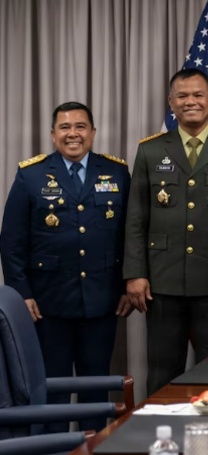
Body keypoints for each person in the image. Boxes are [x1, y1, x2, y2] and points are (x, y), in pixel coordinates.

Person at [124, 68, 208, 395]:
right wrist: (135, 273)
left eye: (198, 95)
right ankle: (158, 426)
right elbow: (136, 218)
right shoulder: (151, 150)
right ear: (171, 103)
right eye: (182, 96)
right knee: (162, 373)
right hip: (162, 283)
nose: (191, 102)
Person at [0, 102, 132, 431]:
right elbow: (12, 242)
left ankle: (93, 450)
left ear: (93, 133)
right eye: (65, 127)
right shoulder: (31, 175)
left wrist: (127, 284)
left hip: (102, 300)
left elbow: (131, 235)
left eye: (80, 126)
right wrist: (21, 294)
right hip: (47, 304)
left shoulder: (116, 172)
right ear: (53, 134)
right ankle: (52, 454)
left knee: (96, 386)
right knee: (51, 387)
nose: (73, 134)